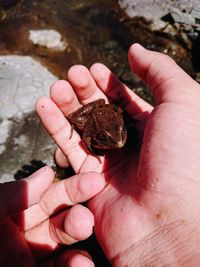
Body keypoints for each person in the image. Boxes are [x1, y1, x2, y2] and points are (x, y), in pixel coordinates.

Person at [1, 43, 200, 267]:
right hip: (96, 121)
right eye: (111, 140)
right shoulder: (98, 136)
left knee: (116, 125)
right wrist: (96, 150)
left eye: (122, 135)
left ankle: (68, 157)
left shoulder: (120, 132)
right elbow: (87, 138)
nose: (118, 142)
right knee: (77, 120)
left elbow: (119, 120)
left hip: (111, 117)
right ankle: (67, 157)